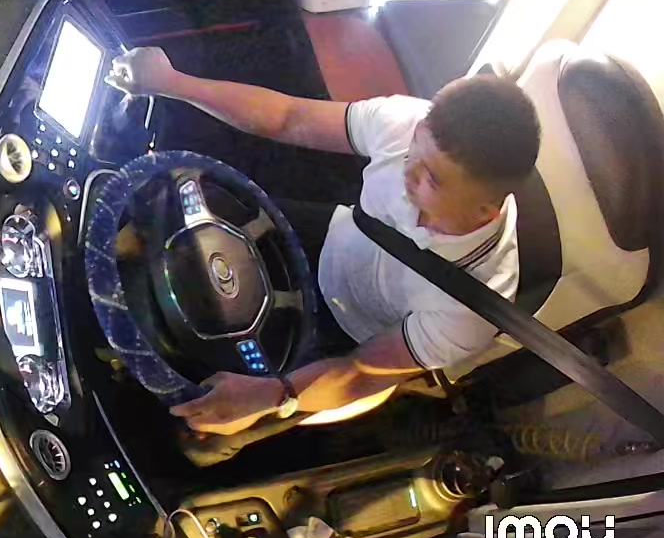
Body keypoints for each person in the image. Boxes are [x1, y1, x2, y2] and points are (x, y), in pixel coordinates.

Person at [106, 46, 541, 437]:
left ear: (485, 210)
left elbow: (360, 371)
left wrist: (271, 396)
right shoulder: (406, 122)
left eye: (431, 178)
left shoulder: (472, 307)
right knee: (166, 226)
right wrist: (173, 82)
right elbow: (289, 117)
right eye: (415, 148)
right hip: (332, 234)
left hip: (347, 334)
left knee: (200, 423)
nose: (408, 169)